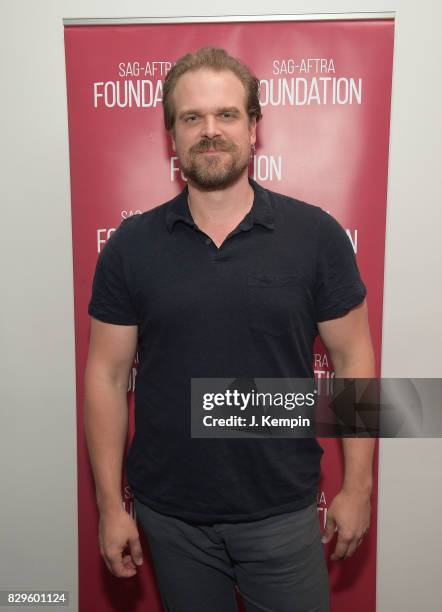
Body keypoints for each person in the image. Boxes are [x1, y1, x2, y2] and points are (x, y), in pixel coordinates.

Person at [84, 46, 375, 612]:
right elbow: (106, 375)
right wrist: (110, 505)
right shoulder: (130, 248)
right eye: (191, 117)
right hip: (170, 518)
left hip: (284, 511)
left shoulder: (316, 236)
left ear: (254, 127)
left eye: (227, 115)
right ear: (172, 134)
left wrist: (359, 487)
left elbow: (354, 361)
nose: (209, 131)